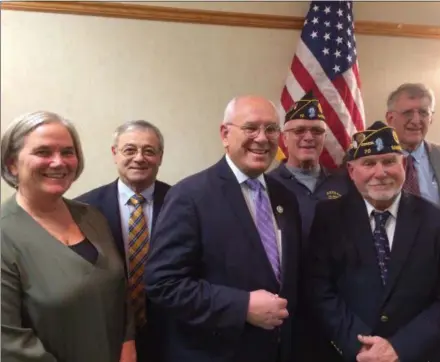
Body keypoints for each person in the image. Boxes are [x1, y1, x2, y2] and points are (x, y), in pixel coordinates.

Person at [144, 96, 302, 362]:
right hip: (216, 352)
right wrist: (242, 306)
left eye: (271, 129)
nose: (262, 138)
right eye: (251, 128)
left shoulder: (285, 196)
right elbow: (163, 283)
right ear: (225, 134)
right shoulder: (190, 195)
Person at [306, 120, 440, 362]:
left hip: (420, 355)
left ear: (404, 164)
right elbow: (320, 290)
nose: (380, 173)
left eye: (389, 161)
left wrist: (398, 348)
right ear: (351, 171)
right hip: (354, 355)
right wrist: (363, 348)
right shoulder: (328, 218)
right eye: (368, 163)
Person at [1, 111, 134, 362]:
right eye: (43, 152)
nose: (58, 162)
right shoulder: (5, 235)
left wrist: (128, 347)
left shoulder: (92, 217)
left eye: (67, 152)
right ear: (11, 163)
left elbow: (119, 292)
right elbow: (8, 343)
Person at [75, 120, 170, 362]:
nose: (139, 158)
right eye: (130, 150)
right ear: (114, 154)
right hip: (108, 332)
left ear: (160, 157)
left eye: (149, 151)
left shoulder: (182, 201)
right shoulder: (83, 209)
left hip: (171, 332)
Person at [268, 90, 350, 241]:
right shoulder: (267, 185)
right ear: (284, 139)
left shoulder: (344, 183)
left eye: (317, 131)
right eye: (299, 131)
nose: (308, 137)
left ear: (324, 138)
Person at [385, 83, 440, 226]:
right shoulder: (373, 161)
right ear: (390, 118)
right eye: (407, 113)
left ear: (431, 118)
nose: (416, 120)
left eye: (423, 113)